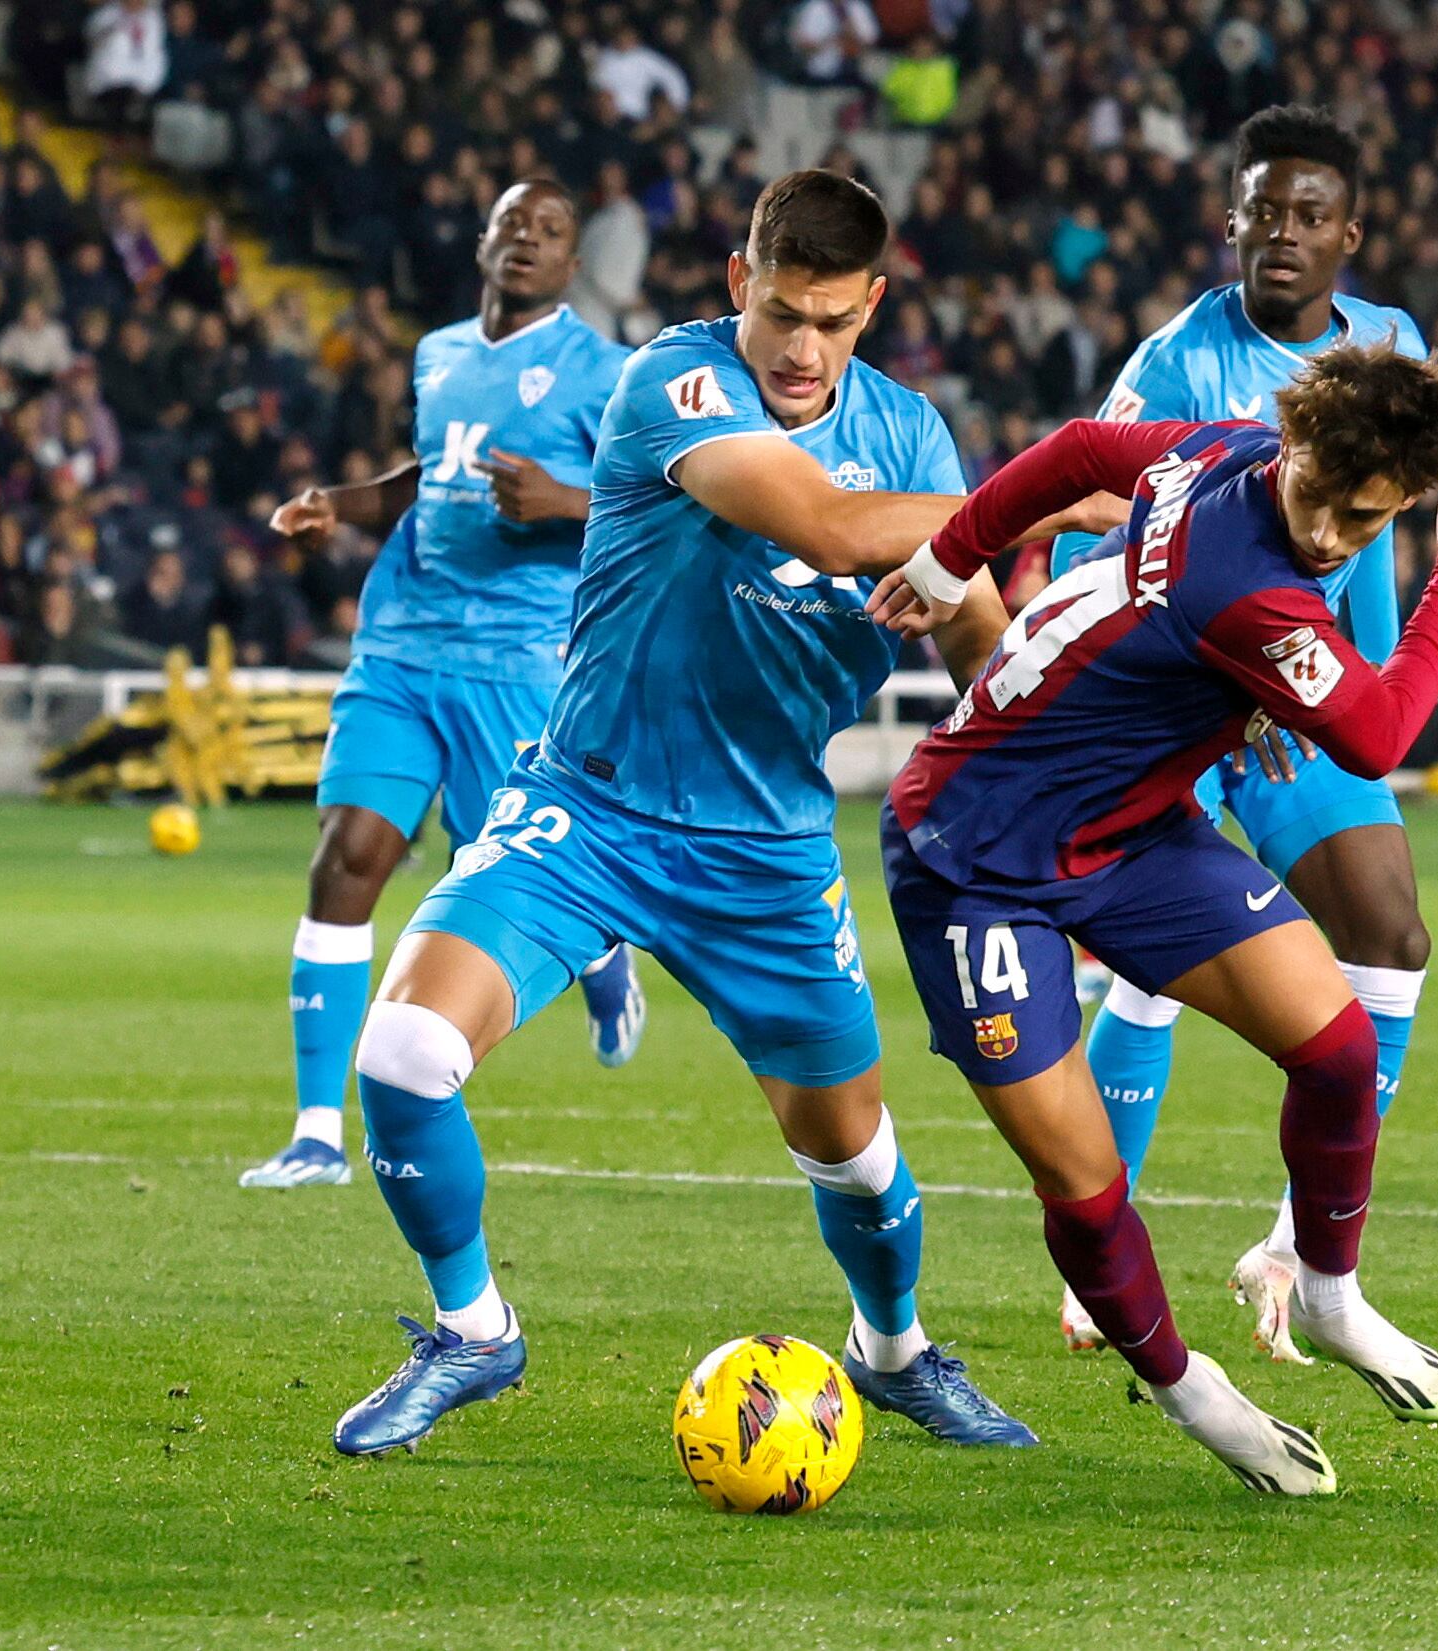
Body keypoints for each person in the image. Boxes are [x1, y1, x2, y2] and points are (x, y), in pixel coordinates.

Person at [329, 170, 1103, 1458]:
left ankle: (895, 1353)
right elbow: (829, 525)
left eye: (833, 322)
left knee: (853, 1158)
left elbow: (977, 632)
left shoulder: (914, 439)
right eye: (781, 313)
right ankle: (472, 1331)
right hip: (589, 810)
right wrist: (1036, 496)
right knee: (405, 1055)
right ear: (740, 284)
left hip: (768, 852)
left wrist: (1049, 788)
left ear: (873, 307)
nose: (801, 350)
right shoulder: (674, 383)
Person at [868, 343, 1438, 1493]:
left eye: (1367, 521)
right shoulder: (1242, 573)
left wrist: (946, 560)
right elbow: (1374, 736)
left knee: (1334, 1046)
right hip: (974, 856)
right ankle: (1192, 1390)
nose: (1330, 535)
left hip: (1129, 831)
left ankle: (1325, 1294)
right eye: (1320, 497)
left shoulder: (1216, 453)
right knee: (1082, 1183)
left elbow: (1076, 452)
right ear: (1296, 445)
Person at [1053, 104, 1435, 1363]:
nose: (1283, 234)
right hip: (1187, 704)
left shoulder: (1392, 344)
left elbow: (1385, 531)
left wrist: (1358, 686)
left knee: (1389, 930)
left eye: (1309, 216)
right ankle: (1095, 1260)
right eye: (1263, 212)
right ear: (1230, 222)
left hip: (1307, 709)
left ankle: (1296, 1245)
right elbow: (1091, 522)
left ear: (1348, 235)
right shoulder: (1173, 361)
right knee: (1152, 974)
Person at [238, 181, 643, 1191]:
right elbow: (434, 476)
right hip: (401, 643)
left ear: (572, 265)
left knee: (500, 869)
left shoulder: (608, 374)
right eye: (512, 224)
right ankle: (316, 1133)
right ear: (482, 242)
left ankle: (601, 960)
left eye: (549, 231)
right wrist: (343, 502)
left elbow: (654, 507)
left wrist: (561, 501)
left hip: (515, 657)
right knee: (348, 855)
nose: (526, 242)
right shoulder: (439, 353)